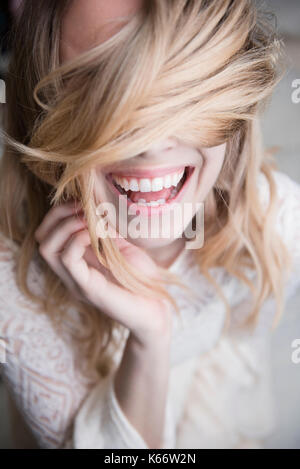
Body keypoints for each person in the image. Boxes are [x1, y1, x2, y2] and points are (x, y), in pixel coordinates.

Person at [0, 0, 299, 449]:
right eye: (98, 87)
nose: (150, 144)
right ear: (42, 113)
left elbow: (238, 356)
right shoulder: (13, 287)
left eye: (181, 84)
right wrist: (148, 339)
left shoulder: (276, 222)